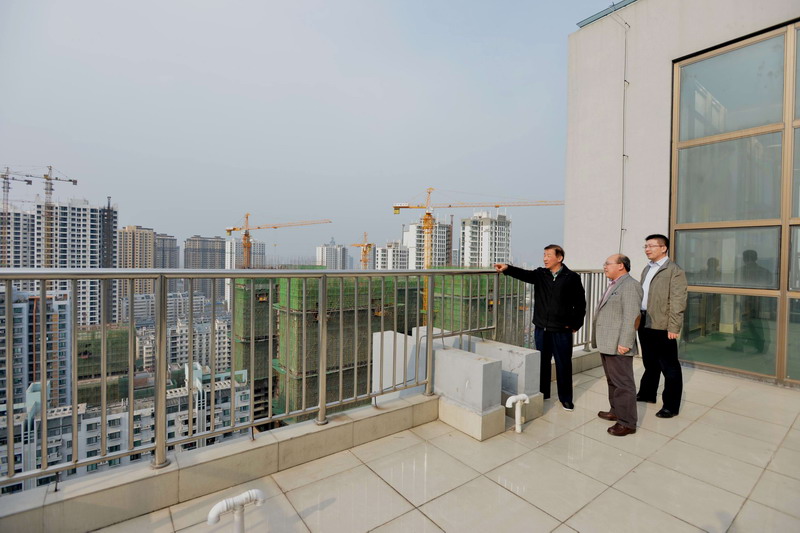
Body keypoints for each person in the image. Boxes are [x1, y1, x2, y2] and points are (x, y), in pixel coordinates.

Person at [495, 245, 586, 411]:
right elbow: (524, 274)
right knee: (542, 363)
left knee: (563, 364)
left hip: (561, 330)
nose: (545, 258)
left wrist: (575, 324)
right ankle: (543, 393)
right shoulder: (541, 274)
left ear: (559, 258)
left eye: (548, 255)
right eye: (544, 255)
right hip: (541, 328)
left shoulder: (571, 277)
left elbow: (580, 304)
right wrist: (507, 268)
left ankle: (566, 399)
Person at [636, 234, 688, 418]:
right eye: (646, 246)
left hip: (662, 324)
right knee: (649, 361)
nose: (647, 249)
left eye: (651, 246)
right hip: (645, 320)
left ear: (663, 248)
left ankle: (671, 406)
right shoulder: (647, 268)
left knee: (669, 366)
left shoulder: (674, 270)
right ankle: (647, 393)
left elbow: (678, 301)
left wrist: (674, 327)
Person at [593, 254, 643, 436]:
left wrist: (625, 342)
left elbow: (632, 317)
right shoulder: (615, 284)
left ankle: (627, 422)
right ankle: (616, 411)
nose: (604, 266)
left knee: (623, 383)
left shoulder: (630, 285)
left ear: (621, 266)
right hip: (608, 341)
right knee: (612, 380)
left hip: (618, 343)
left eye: (608, 263)